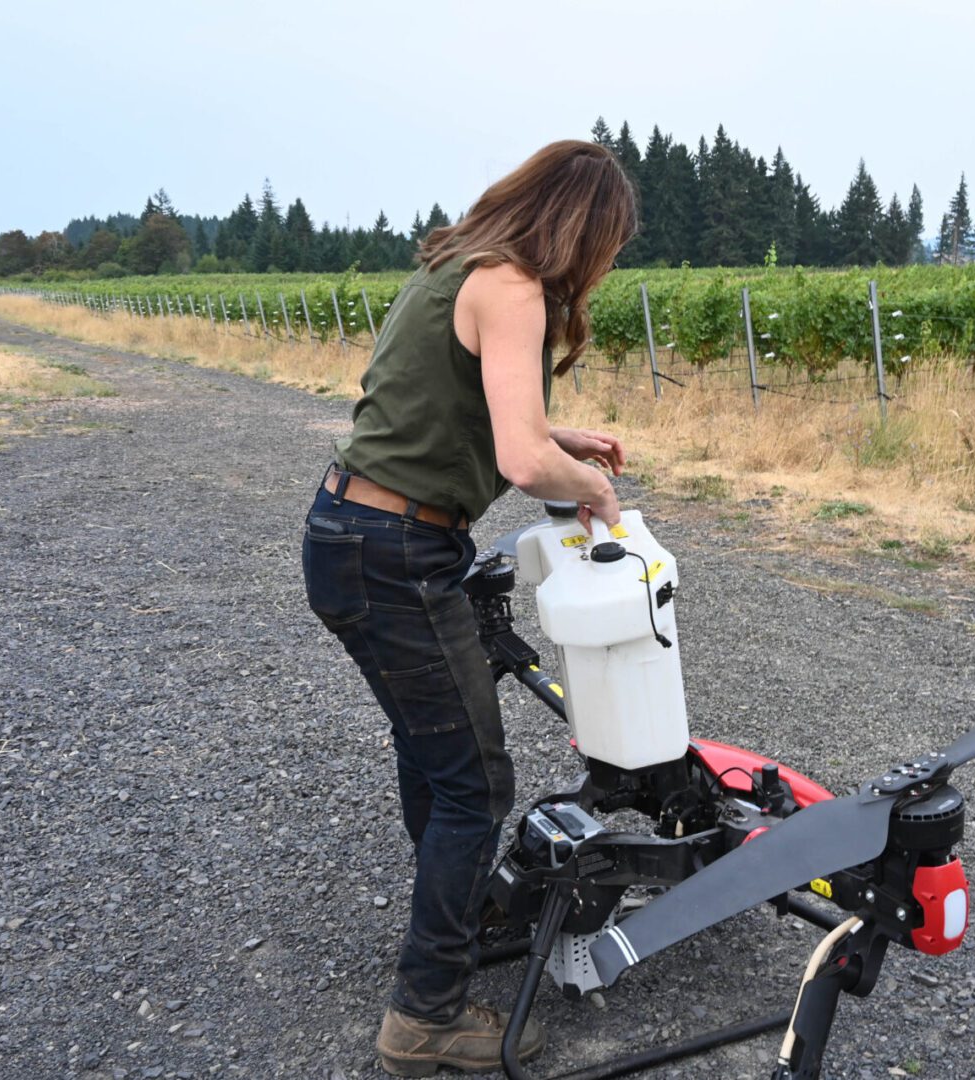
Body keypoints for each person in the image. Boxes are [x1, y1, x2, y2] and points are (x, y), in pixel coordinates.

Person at [301, 140, 636, 1076]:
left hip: (350, 534)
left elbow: (461, 410)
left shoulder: (455, 268)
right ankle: (426, 1014)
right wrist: (592, 491)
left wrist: (556, 432)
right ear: (583, 230)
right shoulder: (519, 286)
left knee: (433, 750)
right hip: (397, 551)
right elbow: (525, 465)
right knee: (475, 783)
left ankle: (446, 928)